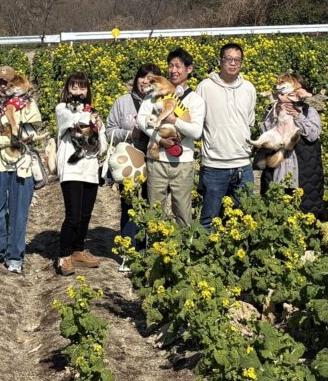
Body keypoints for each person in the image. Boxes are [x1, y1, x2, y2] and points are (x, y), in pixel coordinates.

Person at [0, 65, 42, 274]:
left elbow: (33, 131)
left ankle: (15, 256)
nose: (4, 86)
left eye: (8, 82)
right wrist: (9, 140)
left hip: (22, 165)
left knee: (18, 213)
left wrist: (19, 134)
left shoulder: (28, 105)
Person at [135, 48, 204, 229]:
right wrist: (159, 139)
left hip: (182, 162)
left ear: (189, 69)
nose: (173, 70)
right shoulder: (155, 94)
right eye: (170, 66)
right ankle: (155, 245)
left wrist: (174, 120)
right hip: (156, 160)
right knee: (155, 213)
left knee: (183, 213)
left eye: (178, 66)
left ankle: (182, 246)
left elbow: (196, 132)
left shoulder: (195, 100)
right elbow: (141, 120)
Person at [195, 42, 257, 230]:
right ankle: (205, 249)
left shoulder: (249, 88)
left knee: (244, 218)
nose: (233, 63)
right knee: (209, 220)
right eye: (228, 59)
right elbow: (197, 120)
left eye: (237, 60)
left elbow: (249, 121)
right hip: (215, 164)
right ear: (219, 61)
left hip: (243, 164)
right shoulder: (205, 87)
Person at [105, 63, 160, 259]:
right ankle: (128, 253)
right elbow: (109, 131)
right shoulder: (123, 102)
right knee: (129, 206)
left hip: (154, 162)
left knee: (151, 205)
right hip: (129, 163)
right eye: (142, 77)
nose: (145, 81)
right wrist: (130, 134)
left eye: (151, 79)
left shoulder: (161, 102)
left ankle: (147, 251)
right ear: (136, 79)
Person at [55, 72, 105, 276]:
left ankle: (78, 250)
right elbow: (74, 120)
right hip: (71, 168)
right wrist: (91, 118)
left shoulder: (93, 112)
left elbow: (102, 139)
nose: (78, 91)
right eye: (74, 87)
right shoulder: (62, 109)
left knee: (85, 215)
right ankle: (64, 256)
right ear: (67, 90)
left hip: (90, 168)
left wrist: (98, 134)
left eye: (82, 87)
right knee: (73, 216)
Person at [258, 73, 324, 215]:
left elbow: (313, 134)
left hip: (304, 172)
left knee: (304, 211)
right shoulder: (274, 110)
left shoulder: (309, 111)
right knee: (275, 210)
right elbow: (265, 133)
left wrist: (297, 116)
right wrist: (275, 113)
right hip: (277, 170)